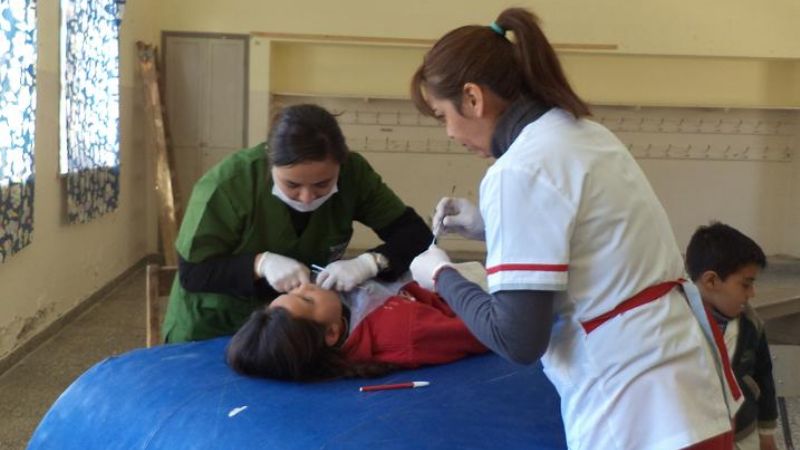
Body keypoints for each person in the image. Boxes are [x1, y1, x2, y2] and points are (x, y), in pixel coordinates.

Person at [408, 7, 741, 450]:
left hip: (636, 405)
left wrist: (442, 276)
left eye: (441, 115)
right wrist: (489, 228)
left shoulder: (517, 170)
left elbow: (518, 338)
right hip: (683, 383)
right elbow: (594, 236)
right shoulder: (582, 132)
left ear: (472, 98)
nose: (449, 132)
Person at [162, 104, 432, 343]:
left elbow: (416, 235)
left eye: (322, 184)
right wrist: (259, 264)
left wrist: (371, 262)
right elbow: (193, 273)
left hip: (293, 336)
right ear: (270, 161)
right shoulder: (229, 184)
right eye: (291, 184)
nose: (307, 197)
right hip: (211, 328)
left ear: (341, 163)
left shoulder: (354, 175)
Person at [226, 277, 488, 380]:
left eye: (293, 290)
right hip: (470, 297)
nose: (305, 285)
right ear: (332, 332)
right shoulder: (405, 333)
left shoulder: (342, 308)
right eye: (307, 299)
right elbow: (489, 330)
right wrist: (446, 274)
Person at [686, 222, 778, 450]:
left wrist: (766, 433)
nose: (752, 293)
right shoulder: (677, 325)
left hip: (743, 433)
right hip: (696, 436)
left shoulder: (751, 324)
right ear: (711, 281)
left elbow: (764, 377)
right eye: (746, 285)